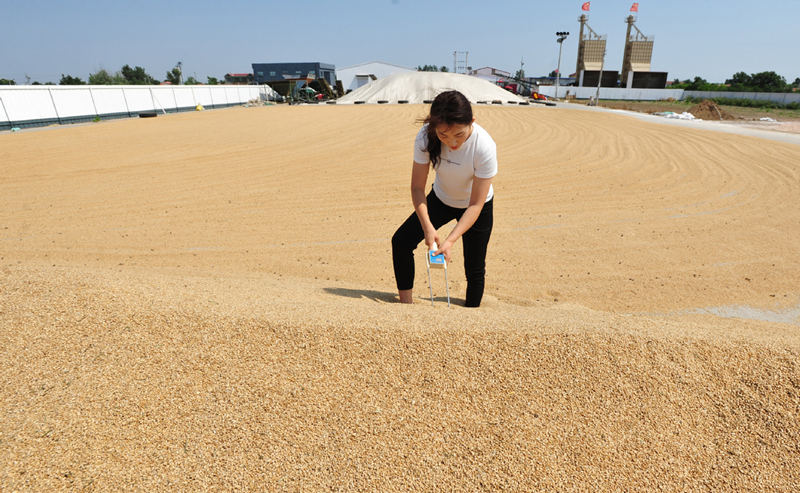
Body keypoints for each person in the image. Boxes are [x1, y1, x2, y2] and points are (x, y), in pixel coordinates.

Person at [391, 90, 497, 307]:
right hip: (441, 198)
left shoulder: (484, 146)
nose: (452, 143)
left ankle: (473, 315)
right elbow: (417, 188)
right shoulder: (424, 137)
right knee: (401, 241)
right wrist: (428, 227)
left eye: (459, 135)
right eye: (443, 136)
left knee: (475, 266)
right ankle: (405, 307)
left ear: (472, 122)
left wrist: (449, 241)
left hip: (476, 205)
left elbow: (476, 204)